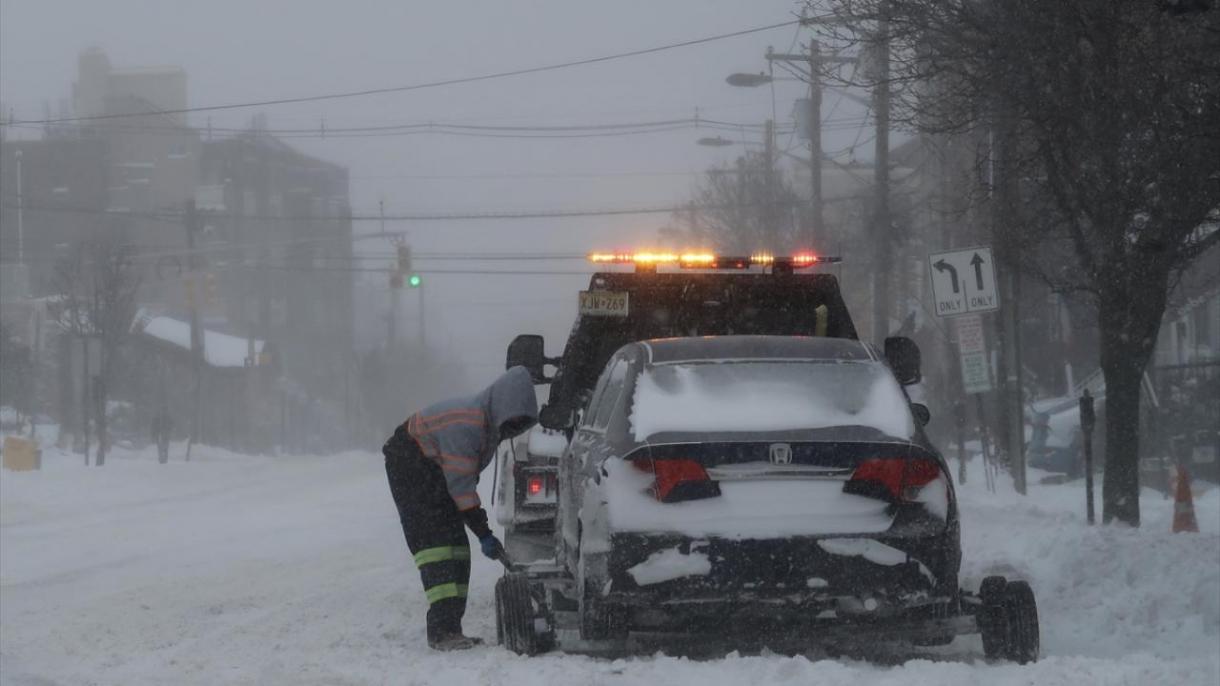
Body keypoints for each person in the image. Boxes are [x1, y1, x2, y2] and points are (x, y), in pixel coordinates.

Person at [382, 366, 538, 651]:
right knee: (437, 546)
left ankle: (451, 627)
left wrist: (476, 528)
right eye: (513, 418)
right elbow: (461, 486)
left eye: (520, 423)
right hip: (410, 459)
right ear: (502, 405)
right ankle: (441, 631)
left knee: (457, 548)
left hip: (430, 466)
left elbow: (463, 483)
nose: (513, 426)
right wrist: (483, 532)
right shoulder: (470, 424)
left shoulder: (489, 427)